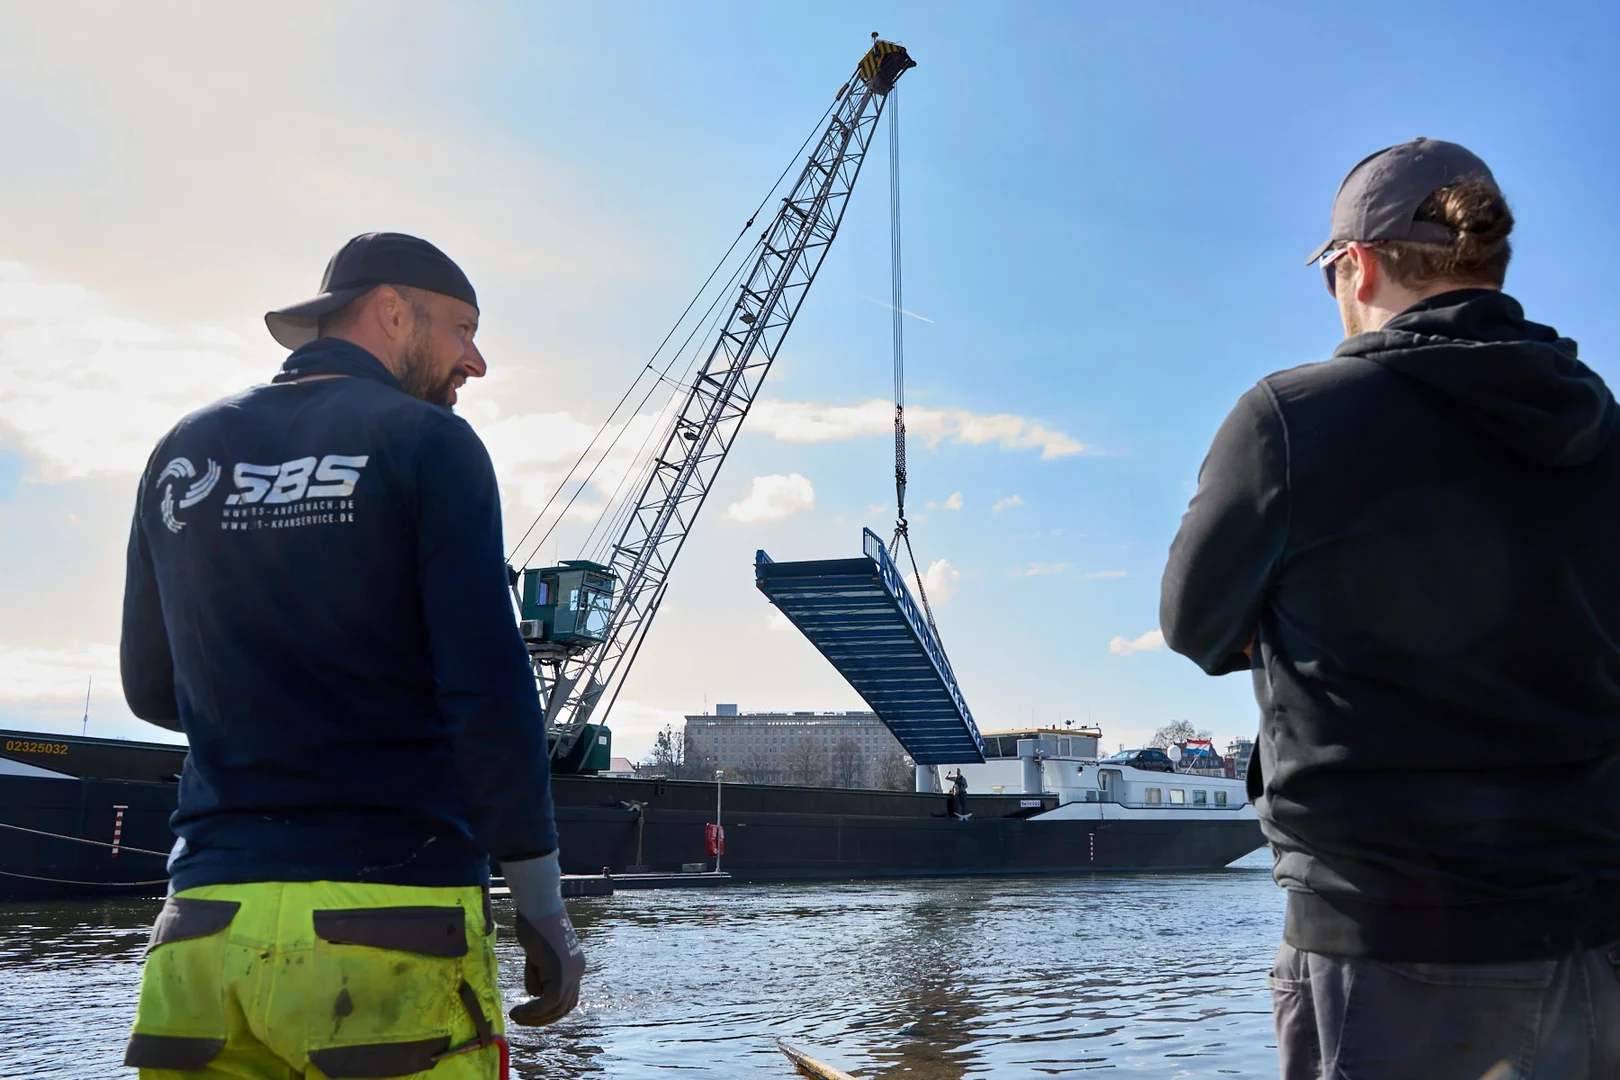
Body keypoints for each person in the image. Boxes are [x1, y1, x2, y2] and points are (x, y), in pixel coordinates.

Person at [1161, 140, 1620, 1078]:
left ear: (1357, 264)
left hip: (1385, 950)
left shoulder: (1291, 419)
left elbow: (1193, 624)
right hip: (1596, 938)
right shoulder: (1604, 431)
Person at [119, 232, 584, 1078]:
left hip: (202, 930)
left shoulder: (181, 451)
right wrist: (544, 905)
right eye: (463, 329)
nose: (474, 361)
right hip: (390, 923)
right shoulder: (431, 446)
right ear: (392, 310)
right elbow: (488, 691)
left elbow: (152, 688)